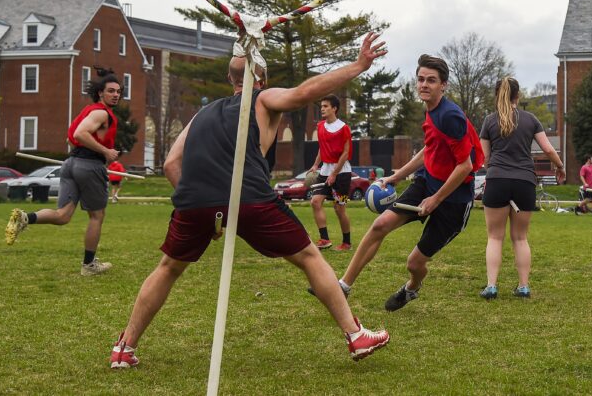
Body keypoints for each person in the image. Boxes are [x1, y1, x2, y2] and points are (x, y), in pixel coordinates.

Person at [108, 33, 390, 369]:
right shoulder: (262, 98)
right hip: (250, 198)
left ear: (230, 79)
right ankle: (355, 334)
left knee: (168, 267)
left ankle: (124, 348)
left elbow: (171, 164)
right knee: (308, 256)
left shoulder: (202, 114)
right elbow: (304, 93)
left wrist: (205, 210)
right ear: (261, 78)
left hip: (194, 201)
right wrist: (358, 66)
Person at [329, 54, 483, 312]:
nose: (424, 84)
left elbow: (465, 165)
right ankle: (343, 286)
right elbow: (429, 149)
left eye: (431, 80)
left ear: (443, 85)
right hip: (426, 183)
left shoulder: (450, 116)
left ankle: (412, 288)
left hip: (454, 200)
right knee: (380, 225)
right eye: (421, 79)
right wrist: (395, 176)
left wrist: (436, 199)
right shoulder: (430, 111)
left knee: (414, 263)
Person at [5, 72, 123, 276]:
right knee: (97, 216)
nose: (116, 95)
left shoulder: (88, 112)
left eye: (118, 92)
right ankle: (89, 265)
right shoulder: (101, 113)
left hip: (71, 163)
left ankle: (25, 217)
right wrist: (105, 152)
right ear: (100, 93)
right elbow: (79, 134)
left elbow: (71, 140)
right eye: (111, 91)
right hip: (88, 165)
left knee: (63, 216)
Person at [478, 76, 565, 299]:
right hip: (525, 182)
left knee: (495, 237)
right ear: (518, 96)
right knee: (520, 237)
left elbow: (485, 158)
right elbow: (548, 149)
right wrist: (560, 167)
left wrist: (496, 170)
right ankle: (523, 286)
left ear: (498, 95)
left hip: (497, 180)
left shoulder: (489, 121)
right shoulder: (530, 119)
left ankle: (491, 286)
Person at [306, 95, 353, 251]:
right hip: (325, 171)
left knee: (339, 208)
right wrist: (315, 165)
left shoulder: (344, 128)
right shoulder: (320, 126)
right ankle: (324, 239)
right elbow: (322, 148)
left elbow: (346, 153)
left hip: (342, 173)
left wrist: (334, 174)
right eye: (321, 106)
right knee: (315, 201)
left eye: (326, 106)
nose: (322, 109)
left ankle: (346, 243)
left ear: (334, 108)